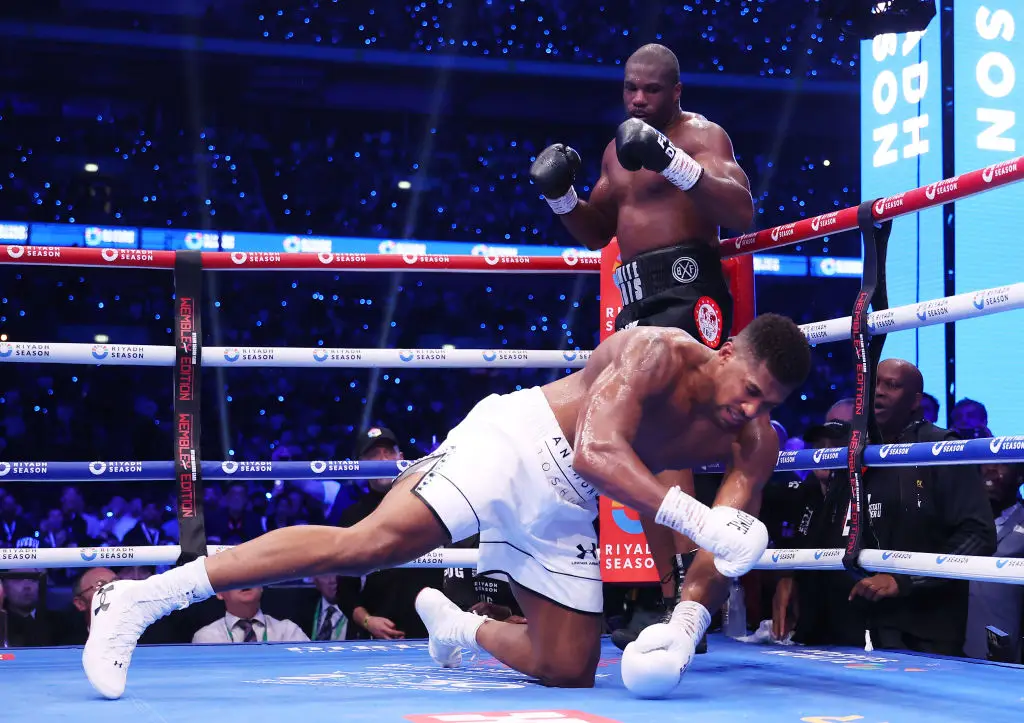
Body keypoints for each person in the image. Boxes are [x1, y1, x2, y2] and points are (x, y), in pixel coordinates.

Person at [83, 315, 811, 700]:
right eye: (746, 386)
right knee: (366, 545)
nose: (747, 408)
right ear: (725, 352)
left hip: (570, 500)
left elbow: (725, 544)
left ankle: (458, 625)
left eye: (767, 403)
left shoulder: (755, 440)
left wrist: (685, 626)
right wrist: (696, 518)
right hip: (521, 441)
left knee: (569, 669)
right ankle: (140, 597)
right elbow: (598, 448)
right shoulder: (658, 351)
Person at [529, 42, 754, 651]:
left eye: (650, 90)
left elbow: (741, 208)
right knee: (643, 445)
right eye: (630, 87)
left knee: (673, 429)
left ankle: (690, 596)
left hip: (690, 292)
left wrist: (674, 161)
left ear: (675, 92)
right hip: (633, 299)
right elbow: (598, 228)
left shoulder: (705, 137)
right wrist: (560, 197)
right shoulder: (615, 148)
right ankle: (666, 592)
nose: (637, 99)